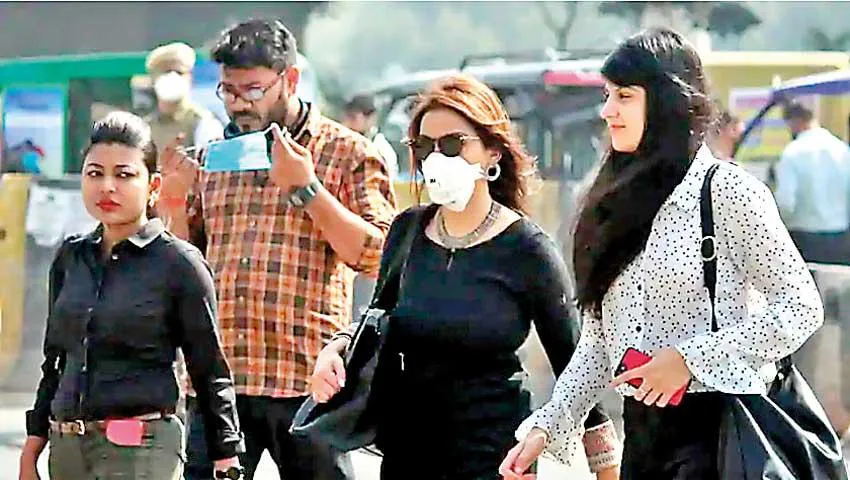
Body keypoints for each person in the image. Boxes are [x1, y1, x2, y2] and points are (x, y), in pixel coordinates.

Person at [500, 28, 824, 480]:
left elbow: (802, 307)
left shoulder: (729, 192)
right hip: (644, 441)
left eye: (624, 97)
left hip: (724, 438)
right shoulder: (612, 201)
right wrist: (548, 425)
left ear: (667, 103)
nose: (607, 111)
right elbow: (598, 342)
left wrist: (690, 360)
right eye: (608, 96)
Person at [310, 73, 621, 480]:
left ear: (493, 152)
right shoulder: (407, 232)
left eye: (453, 144)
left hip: (494, 460)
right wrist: (336, 348)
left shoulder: (527, 249)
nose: (436, 159)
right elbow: (378, 319)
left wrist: (606, 468)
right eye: (424, 147)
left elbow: (575, 366)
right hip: (407, 456)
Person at [157, 19, 397, 480]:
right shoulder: (214, 157)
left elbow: (378, 257)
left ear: (290, 79)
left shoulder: (347, 154)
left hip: (309, 380)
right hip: (223, 379)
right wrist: (174, 203)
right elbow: (190, 267)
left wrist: (308, 189)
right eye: (228, 91)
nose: (238, 103)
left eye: (252, 90)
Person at [17, 112, 244, 480]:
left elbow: (209, 370)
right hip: (67, 449)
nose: (107, 187)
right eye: (95, 174)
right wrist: (32, 448)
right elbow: (55, 362)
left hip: (143, 447)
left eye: (124, 175)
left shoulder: (178, 263)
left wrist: (226, 456)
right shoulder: (71, 257)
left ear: (153, 186)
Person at [774, 100, 850, 265]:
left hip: (804, 238)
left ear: (794, 121)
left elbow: (786, 203)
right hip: (840, 235)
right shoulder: (842, 150)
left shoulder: (792, 152)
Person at [144, 42, 223, 153]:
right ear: (153, 79)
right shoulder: (145, 127)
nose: (172, 77)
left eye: (179, 72)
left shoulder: (204, 123)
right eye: (166, 72)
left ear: (189, 78)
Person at [342, 93, 399, 180]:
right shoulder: (342, 141)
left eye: (352, 118)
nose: (346, 123)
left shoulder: (381, 149)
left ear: (371, 118)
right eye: (347, 117)